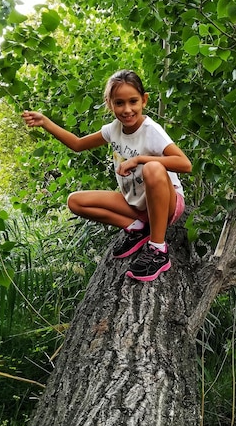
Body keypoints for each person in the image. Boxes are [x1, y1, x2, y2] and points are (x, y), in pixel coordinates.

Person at [21, 69, 192, 282]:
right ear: (110, 104)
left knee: (153, 168)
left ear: (144, 100)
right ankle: (137, 229)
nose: (127, 109)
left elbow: (184, 164)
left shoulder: (151, 131)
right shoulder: (114, 129)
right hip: (136, 204)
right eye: (119, 103)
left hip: (166, 204)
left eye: (133, 101)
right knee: (75, 202)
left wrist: (139, 160)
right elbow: (77, 144)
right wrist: (45, 122)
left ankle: (158, 248)